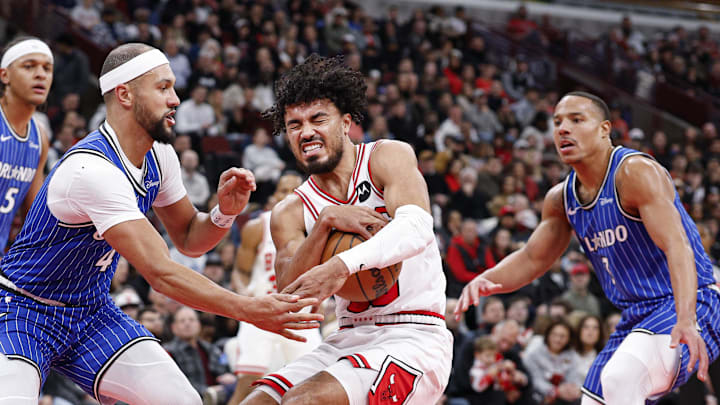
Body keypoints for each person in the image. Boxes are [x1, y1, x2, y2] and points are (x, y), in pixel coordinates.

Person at [0, 43, 322, 405]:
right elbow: (161, 273)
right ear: (125, 94)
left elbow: (188, 239)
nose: (175, 99)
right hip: (23, 311)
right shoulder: (90, 171)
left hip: (90, 313)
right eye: (163, 87)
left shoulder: (160, 155)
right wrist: (249, 309)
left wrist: (223, 213)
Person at [455, 91, 720, 404]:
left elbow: (679, 247)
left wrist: (687, 318)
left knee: (620, 378)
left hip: (692, 302)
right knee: (594, 399)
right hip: (637, 316)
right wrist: (487, 279)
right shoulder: (561, 198)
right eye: (557, 122)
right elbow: (532, 258)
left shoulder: (634, 172)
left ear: (605, 129)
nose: (563, 129)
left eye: (576, 120)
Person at [241, 54, 452, 404]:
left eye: (317, 118)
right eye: (294, 125)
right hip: (346, 338)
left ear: (346, 123)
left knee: (306, 401)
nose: (306, 131)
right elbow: (292, 295)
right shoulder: (289, 211)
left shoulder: (387, 157)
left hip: (414, 337)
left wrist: (342, 264)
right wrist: (325, 224)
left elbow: (416, 227)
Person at [228, 173, 322, 405]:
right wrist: (244, 295)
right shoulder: (257, 226)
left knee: (313, 383)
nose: (289, 195)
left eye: (294, 190)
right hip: (260, 312)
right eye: (283, 190)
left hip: (301, 316)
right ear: (274, 196)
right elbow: (240, 271)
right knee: (248, 384)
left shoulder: (319, 228)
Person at [0, 37, 52, 256]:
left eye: (47, 68)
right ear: (5, 75)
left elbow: (33, 221)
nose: (41, 74)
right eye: (29, 66)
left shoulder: (39, 138)